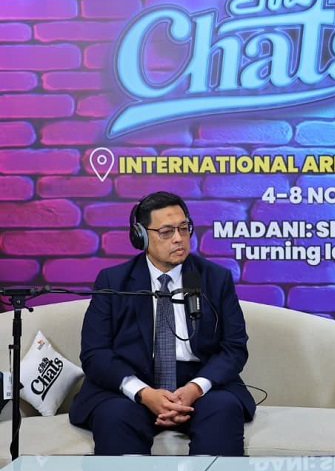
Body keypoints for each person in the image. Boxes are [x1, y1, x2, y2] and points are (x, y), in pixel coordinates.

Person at [69, 191, 256, 455]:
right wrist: (143, 393)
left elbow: (234, 347)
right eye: (166, 232)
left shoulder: (215, 278)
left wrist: (195, 388)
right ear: (142, 236)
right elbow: (95, 353)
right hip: (133, 385)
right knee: (114, 416)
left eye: (184, 228)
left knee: (223, 410)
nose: (179, 238)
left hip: (200, 385)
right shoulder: (114, 281)